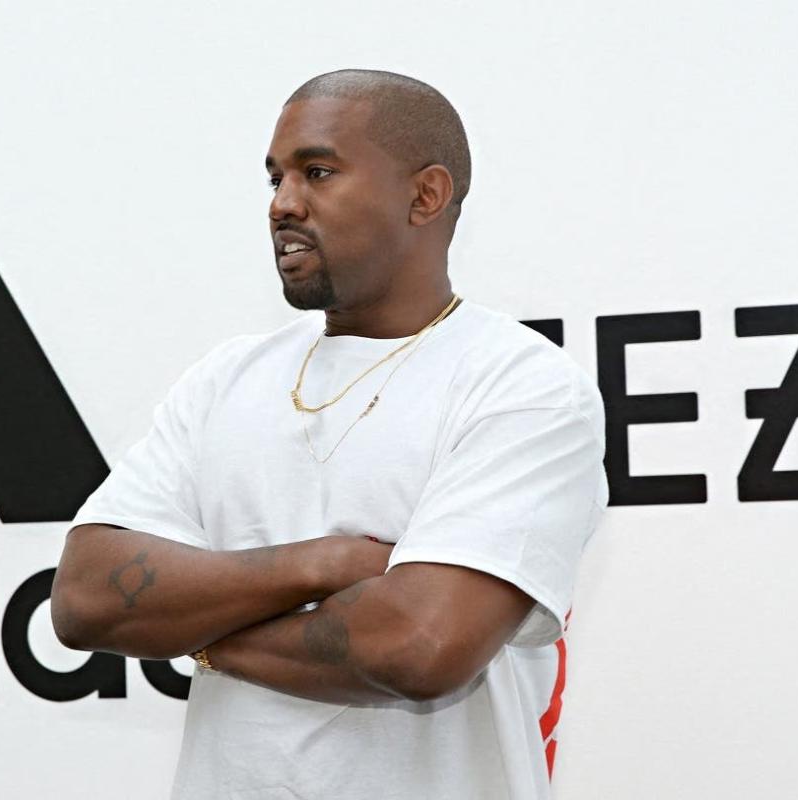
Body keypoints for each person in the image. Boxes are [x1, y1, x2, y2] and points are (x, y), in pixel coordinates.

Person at [51, 68, 608, 800]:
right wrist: (328, 563)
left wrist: (199, 633)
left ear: (425, 195)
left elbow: (420, 646)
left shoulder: (521, 385)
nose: (282, 204)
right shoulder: (226, 377)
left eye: (317, 172)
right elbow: (84, 599)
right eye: (275, 178)